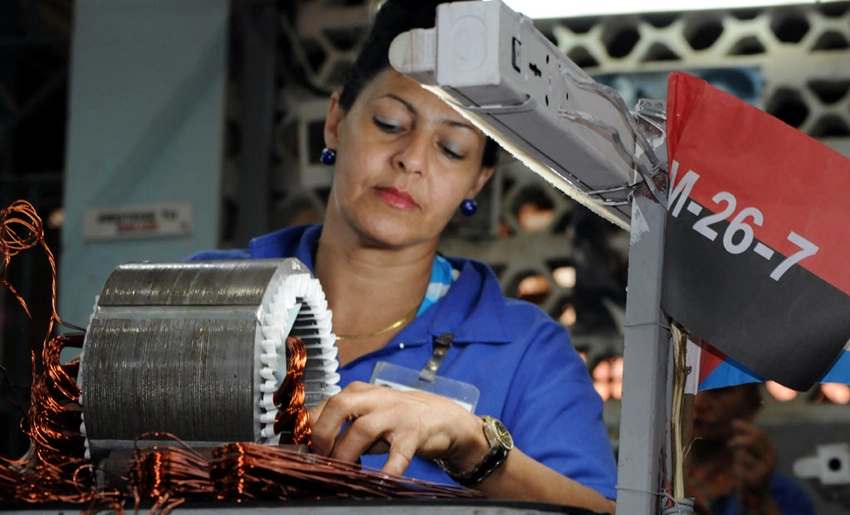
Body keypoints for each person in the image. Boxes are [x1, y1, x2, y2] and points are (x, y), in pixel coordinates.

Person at [191, 0, 616, 511]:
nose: (411, 159)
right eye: (390, 122)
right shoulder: (208, 294)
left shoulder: (528, 352)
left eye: (451, 149)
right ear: (335, 122)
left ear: (478, 180)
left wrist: (471, 444)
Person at [687, 384, 815, 514]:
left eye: (719, 390)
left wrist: (758, 500)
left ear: (752, 403)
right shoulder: (668, 478)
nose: (698, 403)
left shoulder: (783, 494)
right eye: (686, 386)